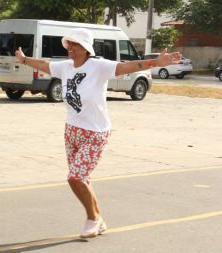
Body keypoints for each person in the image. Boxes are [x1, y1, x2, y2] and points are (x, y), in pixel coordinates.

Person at [15, 28, 181, 239]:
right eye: (69, 45)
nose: (70, 48)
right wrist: (24, 59)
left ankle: (93, 219)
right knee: (82, 179)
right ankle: (98, 219)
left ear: (86, 48)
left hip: (95, 132)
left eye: (75, 45)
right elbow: (44, 65)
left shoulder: (99, 67)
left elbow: (127, 66)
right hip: (72, 131)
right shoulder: (65, 67)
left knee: (75, 177)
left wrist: (155, 63)